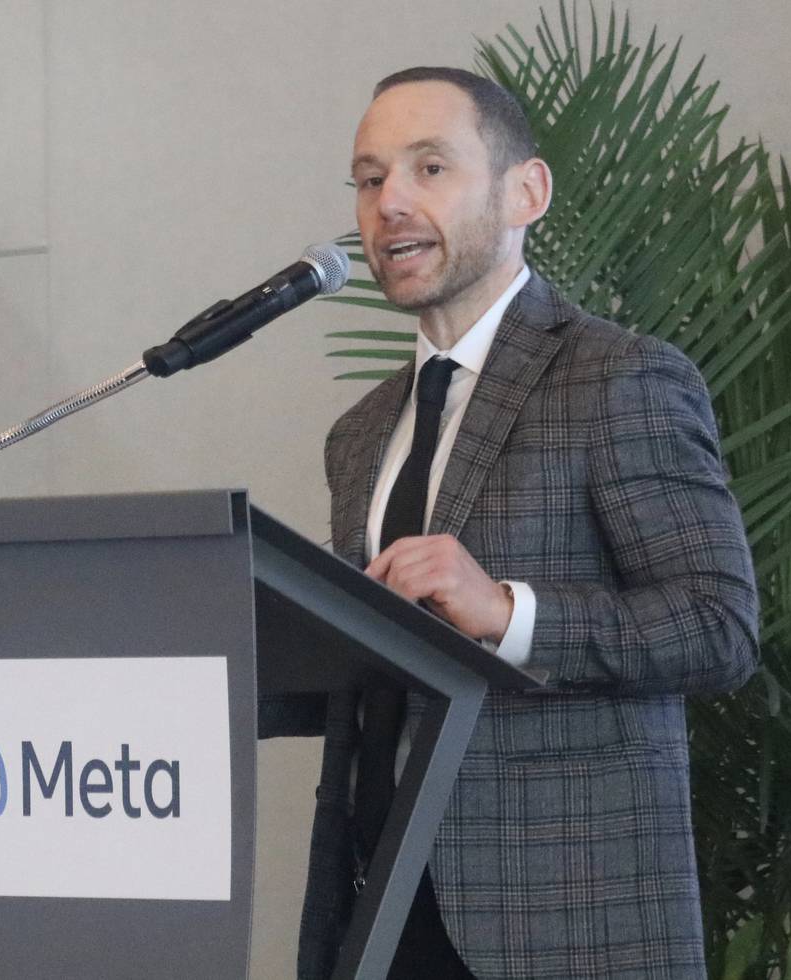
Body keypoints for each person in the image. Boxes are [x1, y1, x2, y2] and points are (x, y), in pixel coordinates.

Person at [295, 67, 760, 979]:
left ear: (526, 192)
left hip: (558, 921)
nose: (390, 202)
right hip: (377, 913)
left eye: (430, 168)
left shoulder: (618, 379)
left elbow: (720, 626)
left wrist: (509, 613)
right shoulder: (359, 436)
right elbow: (367, 684)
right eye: (369, 176)